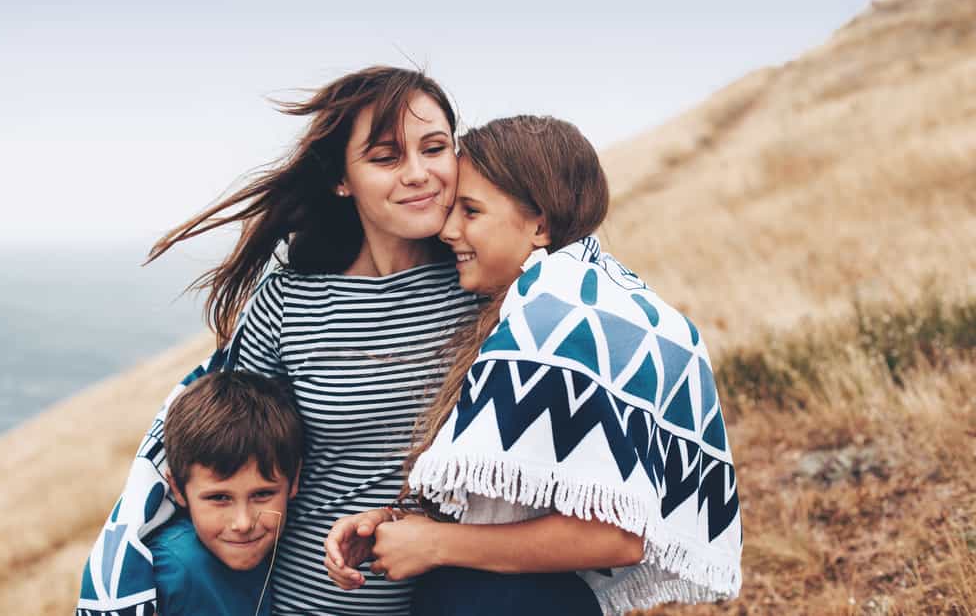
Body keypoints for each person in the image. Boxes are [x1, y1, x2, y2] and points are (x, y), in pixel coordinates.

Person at [78, 66, 479, 616]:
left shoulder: (488, 289)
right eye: (386, 158)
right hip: (302, 603)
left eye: (434, 148)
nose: (419, 173)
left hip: (458, 594)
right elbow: (236, 444)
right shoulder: (288, 305)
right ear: (342, 180)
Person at [324, 116, 743, 615]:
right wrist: (399, 522)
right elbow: (522, 492)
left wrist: (435, 544)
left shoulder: (559, 324)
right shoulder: (571, 301)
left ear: (540, 224)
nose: (449, 229)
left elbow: (615, 537)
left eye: (471, 211)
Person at [149, 371, 302, 615]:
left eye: (262, 494)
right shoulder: (171, 572)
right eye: (219, 498)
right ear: (177, 488)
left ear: (294, 479)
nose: (243, 523)